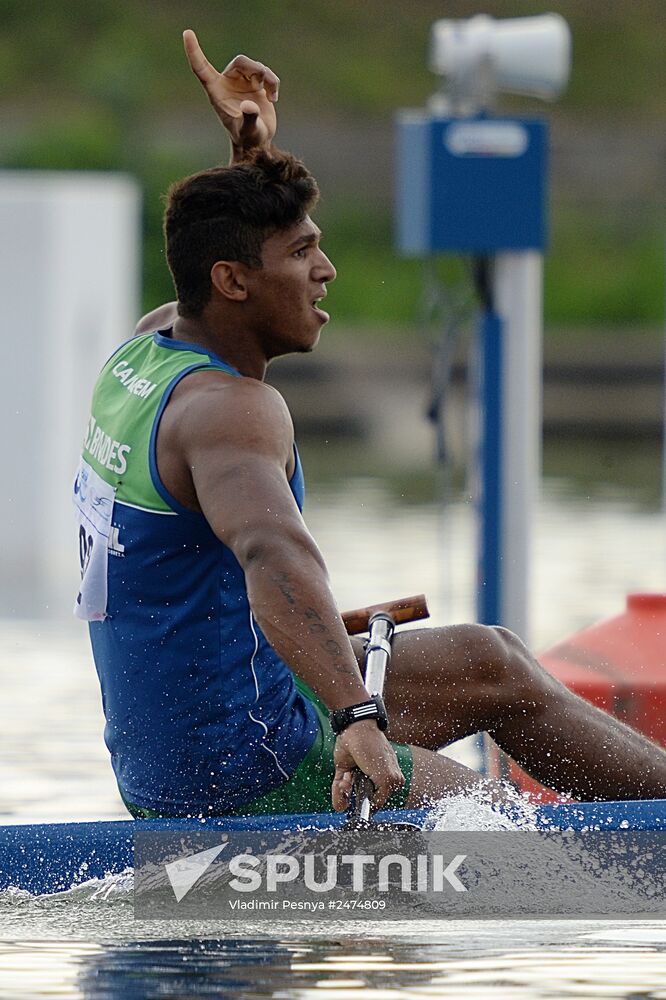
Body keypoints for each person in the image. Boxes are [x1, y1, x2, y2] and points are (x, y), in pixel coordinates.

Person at [73, 30, 666, 820]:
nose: (327, 271)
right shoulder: (231, 415)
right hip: (239, 767)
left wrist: (247, 165)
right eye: (303, 252)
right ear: (236, 281)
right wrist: (356, 717)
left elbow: (213, 264)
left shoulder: (147, 350)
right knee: (500, 831)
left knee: (490, 661)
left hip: (195, 725)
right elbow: (274, 555)